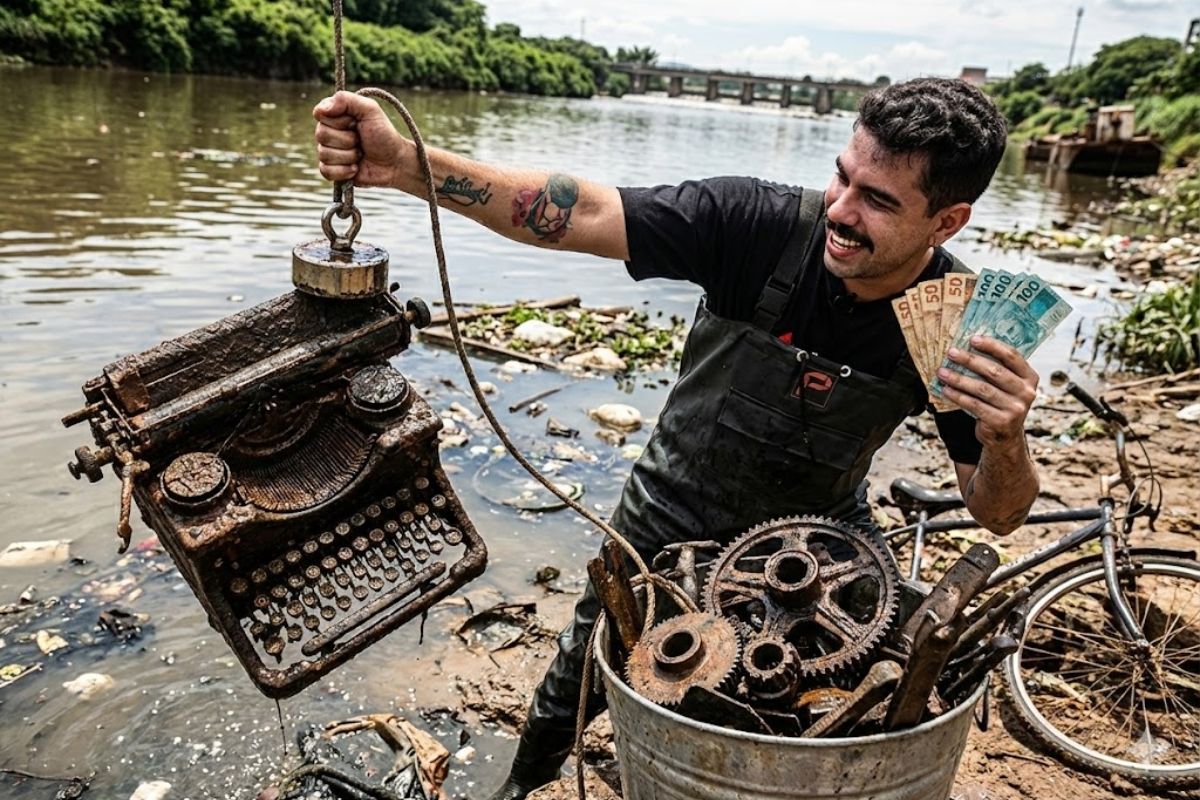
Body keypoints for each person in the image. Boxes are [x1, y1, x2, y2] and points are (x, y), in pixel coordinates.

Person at [314, 77, 1041, 800]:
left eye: (877, 201)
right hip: (668, 510)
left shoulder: (959, 322)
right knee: (577, 676)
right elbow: (581, 211)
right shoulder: (755, 226)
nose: (840, 211)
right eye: (842, 177)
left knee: (827, 710)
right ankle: (520, 784)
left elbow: (998, 513)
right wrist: (403, 163)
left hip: (816, 541)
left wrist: (1007, 436)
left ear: (947, 223)